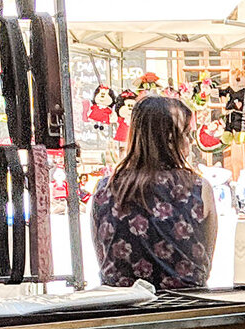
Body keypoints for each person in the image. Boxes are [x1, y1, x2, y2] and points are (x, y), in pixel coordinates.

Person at [90, 93, 218, 290]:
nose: (190, 142)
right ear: (170, 139)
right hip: (188, 309)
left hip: (123, 312)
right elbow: (204, 265)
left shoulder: (104, 190)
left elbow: (104, 260)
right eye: (186, 134)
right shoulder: (198, 189)